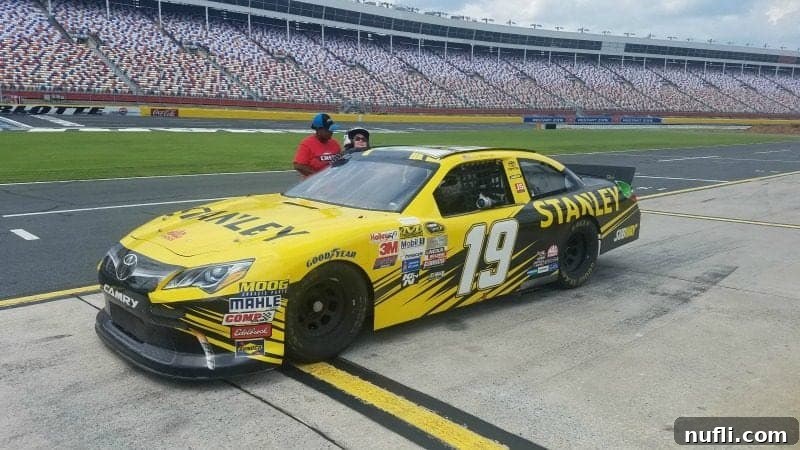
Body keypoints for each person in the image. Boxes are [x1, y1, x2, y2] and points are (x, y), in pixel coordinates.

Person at [293, 113, 341, 177]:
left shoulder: (335, 144)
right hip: (315, 182)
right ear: (319, 129)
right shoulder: (307, 144)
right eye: (328, 130)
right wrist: (318, 176)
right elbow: (298, 166)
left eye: (332, 129)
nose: (331, 132)